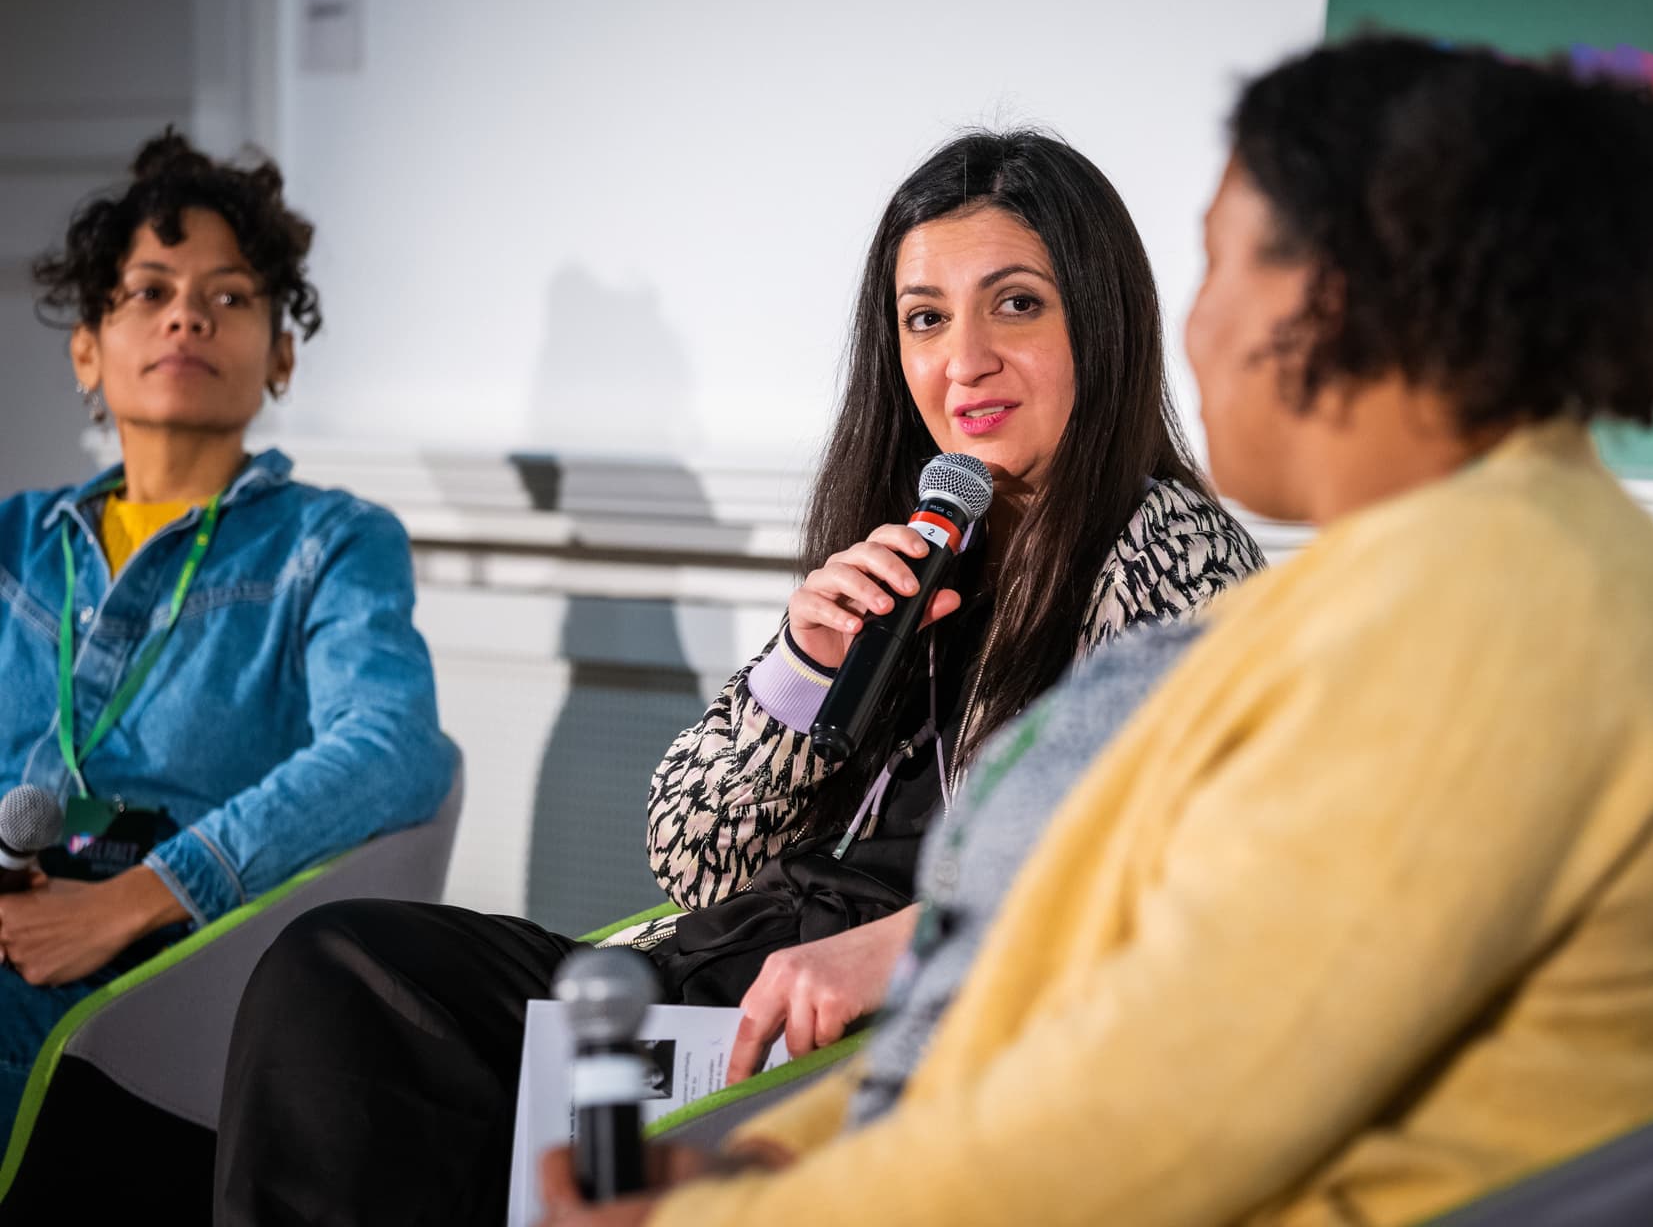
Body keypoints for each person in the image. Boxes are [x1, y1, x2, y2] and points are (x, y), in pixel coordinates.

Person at [534, 35, 1653, 1227]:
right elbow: (1050, 983)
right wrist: (765, 1151)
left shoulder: (1483, 611)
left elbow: (1169, 1101)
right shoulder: (1458, 564)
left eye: (1222, 265)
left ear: (1347, 296)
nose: (1191, 328)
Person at [212, 130, 1264, 1226]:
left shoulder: (1163, 541)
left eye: (1015, 305)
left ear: (1101, 320)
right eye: (925, 318)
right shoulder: (915, 539)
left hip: (886, 1013)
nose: (964, 361)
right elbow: (693, 854)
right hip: (726, 967)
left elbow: (1157, 866)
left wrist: (903, 948)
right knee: (345, 970)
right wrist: (802, 673)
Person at [0, 133, 455, 1158]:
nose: (186, 315)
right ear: (87, 347)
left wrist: (137, 895)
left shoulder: (329, 541)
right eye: (148, 289)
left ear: (280, 353)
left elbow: (393, 743)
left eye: (230, 295)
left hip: (174, 966)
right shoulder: (13, 544)